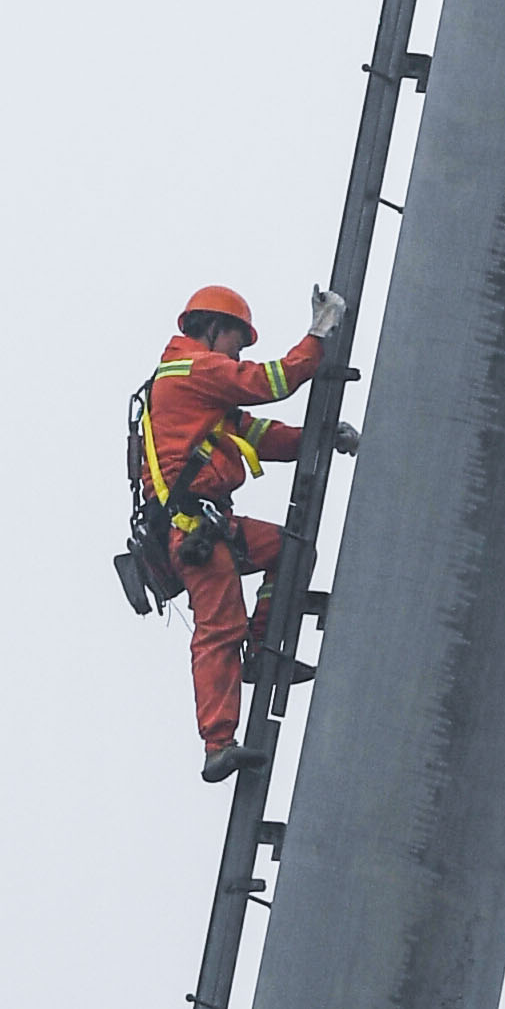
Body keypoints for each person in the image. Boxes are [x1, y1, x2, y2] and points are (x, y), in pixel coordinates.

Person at [132, 284, 336, 779]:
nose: (240, 350)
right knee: (219, 630)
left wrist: (323, 438)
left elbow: (256, 435)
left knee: (290, 552)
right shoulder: (194, 371)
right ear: (211, 329)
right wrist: (317, 336)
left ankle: (261, 656)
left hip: (210, 524)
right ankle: (218, 744)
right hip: (195, 529)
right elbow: (270, 381)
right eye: (237, 339)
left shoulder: (199, 388)